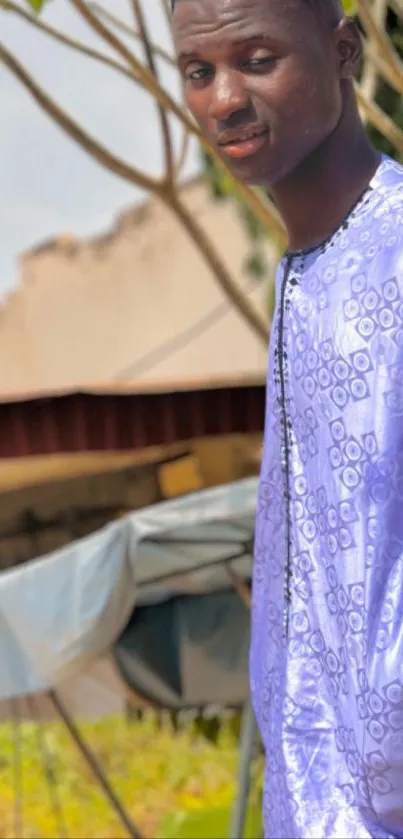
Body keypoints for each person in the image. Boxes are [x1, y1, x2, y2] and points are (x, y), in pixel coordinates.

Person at [172, 1, 403, 837]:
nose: (224, 98)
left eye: (257, 59)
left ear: (344, 51)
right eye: (199, 72)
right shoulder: (300, 282)